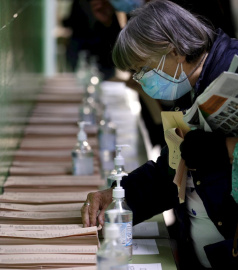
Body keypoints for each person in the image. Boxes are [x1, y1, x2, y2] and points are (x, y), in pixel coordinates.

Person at [81, 1, 238, 269]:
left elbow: (207, 154)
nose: (140, 79)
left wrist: (223, 149)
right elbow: (173, 170)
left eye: (143, 68)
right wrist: (121, 195)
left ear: (173, 50)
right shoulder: (189, 87)